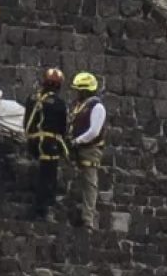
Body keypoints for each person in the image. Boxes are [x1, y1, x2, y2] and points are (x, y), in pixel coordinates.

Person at [23, 68, 68, 220]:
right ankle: (42, 208)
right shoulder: (59, 103)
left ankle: (39, 206)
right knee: (48, 176)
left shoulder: (32, 98)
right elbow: (62, 127)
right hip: (49, 144)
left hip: (33, 140)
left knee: (42, 174)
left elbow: (26, 121)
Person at [68, 71, 106, 230]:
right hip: (76, 146)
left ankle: (88, 220)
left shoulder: (97, 107)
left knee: (90, 183)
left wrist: (77, 141)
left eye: (79, 90)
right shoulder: (79, 106)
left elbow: (94, 131)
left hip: (89, 149)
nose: (77, 93)